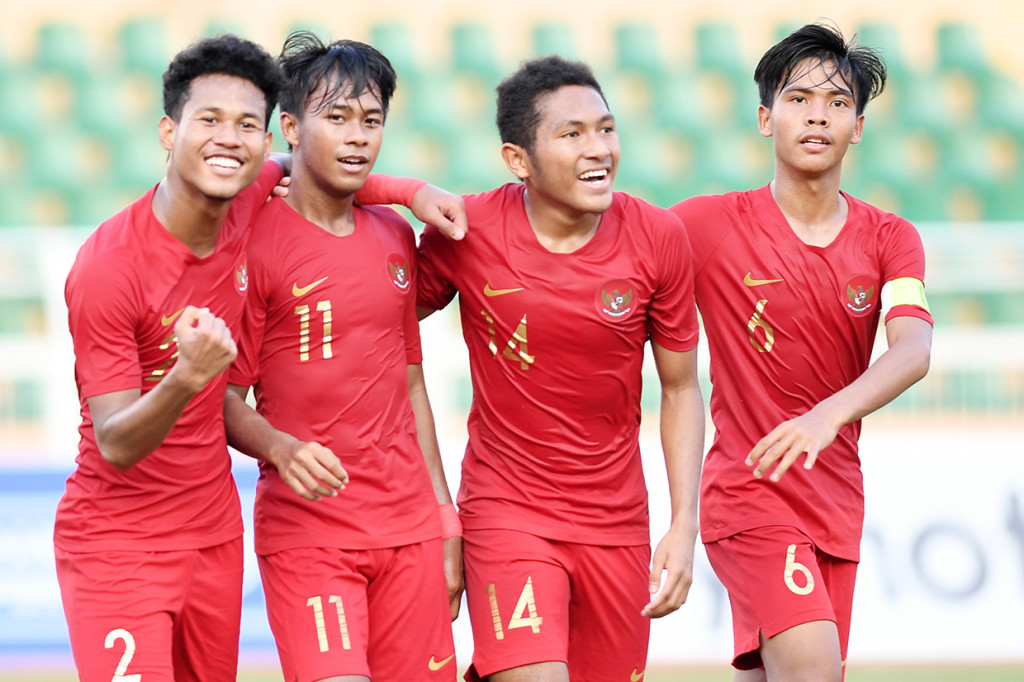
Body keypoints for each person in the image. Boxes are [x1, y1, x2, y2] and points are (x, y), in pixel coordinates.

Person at [55, 32, 466, 682]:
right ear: (169, 131)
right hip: (120, 541)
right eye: (209, 121)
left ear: (266, 138)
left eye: (247, 124)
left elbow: (321, 168)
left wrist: (410, 191)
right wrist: (192, 381)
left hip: (214, 536)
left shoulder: (246, 204)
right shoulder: (110, 268)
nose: (229, 138)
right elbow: (114, 442)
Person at [366, 55, 706, 682]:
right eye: (571, 135)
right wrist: (405, 191)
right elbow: (369, 309)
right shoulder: (468, 230)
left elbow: (682, 387)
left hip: (617, 521)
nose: (598, 148)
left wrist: (685, 524)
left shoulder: (658, 237)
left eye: (606, 128)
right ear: (518, 161)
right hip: (506, 509)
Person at [668, 23, 933, 682]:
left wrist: (826, 416)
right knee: (815, 671)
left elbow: (914, 350)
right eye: (799, 98)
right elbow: (602, 237)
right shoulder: (706, 224)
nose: (818, 113)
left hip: (837, 500)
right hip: (750, 493)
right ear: (766, 117)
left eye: (838, 102)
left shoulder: (890, 239)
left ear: (859, 127)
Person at [223, 32, 460, 682]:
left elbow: (411, 386)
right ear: (292, 127)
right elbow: (222, 401)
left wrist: (445, 520)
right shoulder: (251, 241)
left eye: (372, 120)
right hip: (310, 533)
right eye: (337, 117)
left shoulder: (393, 236)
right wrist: (281, 448)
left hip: (409, 528)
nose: (358, 136)